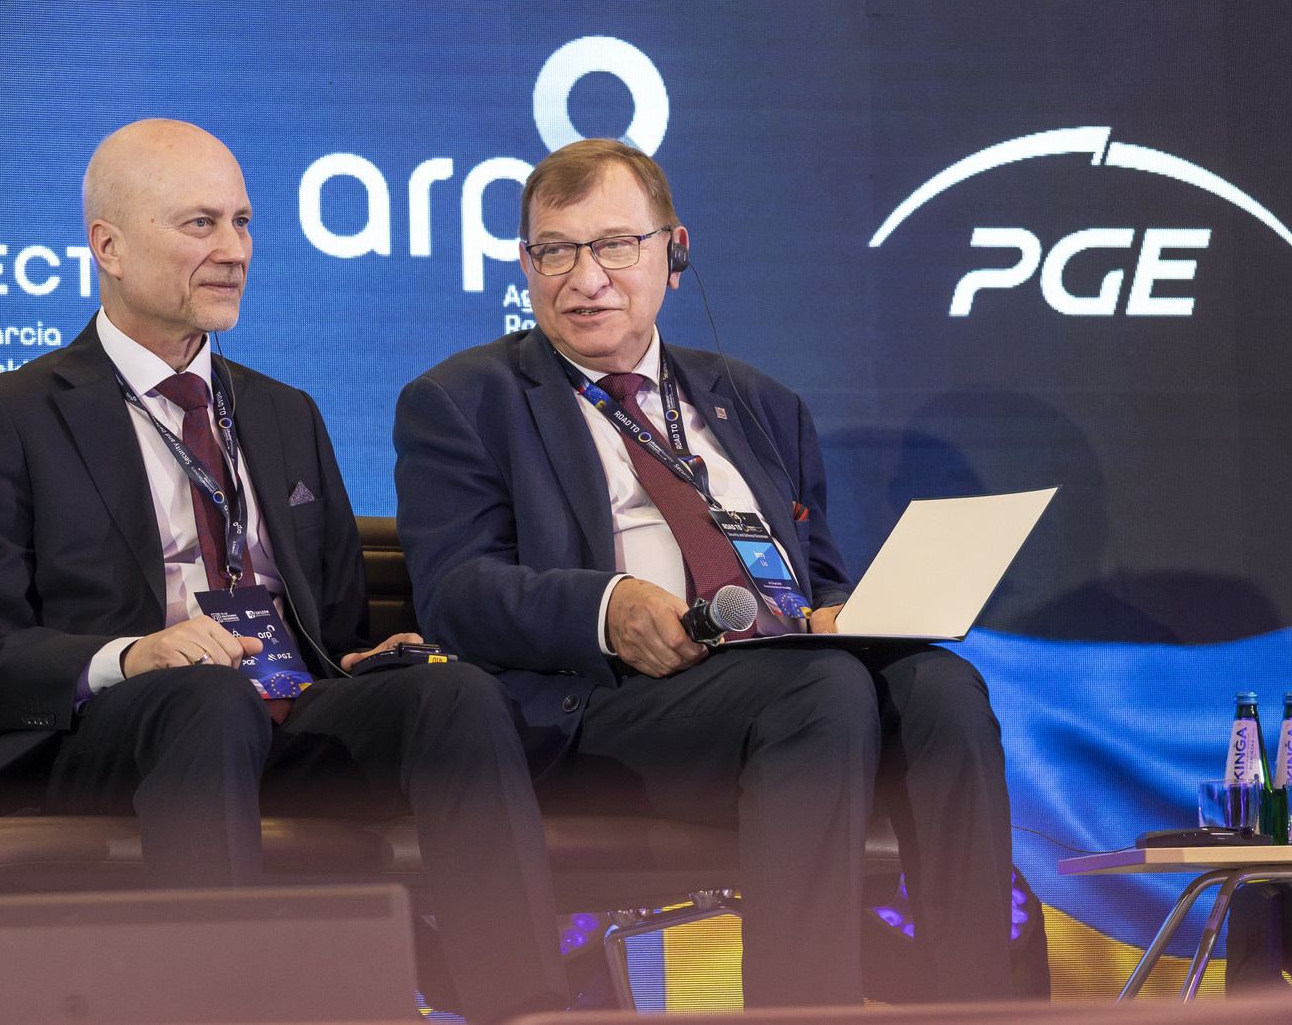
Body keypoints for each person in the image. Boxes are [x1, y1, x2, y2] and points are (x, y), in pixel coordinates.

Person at [0, 119, 569, 1023]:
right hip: (101, 740)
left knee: (453, 694)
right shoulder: (9, 417)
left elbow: (332, 630)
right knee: (205, 694)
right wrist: (133, 656)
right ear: (108, 246)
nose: (234, 251)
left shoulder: (284, 413)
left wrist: (370, 661)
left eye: (243, 222)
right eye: (200, 224)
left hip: (276, 721)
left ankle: (527, 1006)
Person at [393, 138, 1015, 1006]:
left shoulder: (759, 403)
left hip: (786, 678)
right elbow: (456, 591)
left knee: (943, 688)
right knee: (825, 692)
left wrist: (838, 612)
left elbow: (819, 575)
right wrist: (606, 607)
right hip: (601, 707)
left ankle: (978, 1005)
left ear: (674, 253)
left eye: (615, 245)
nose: (585, 278)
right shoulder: (465, 401)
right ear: (526, 265)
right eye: (555, 251)